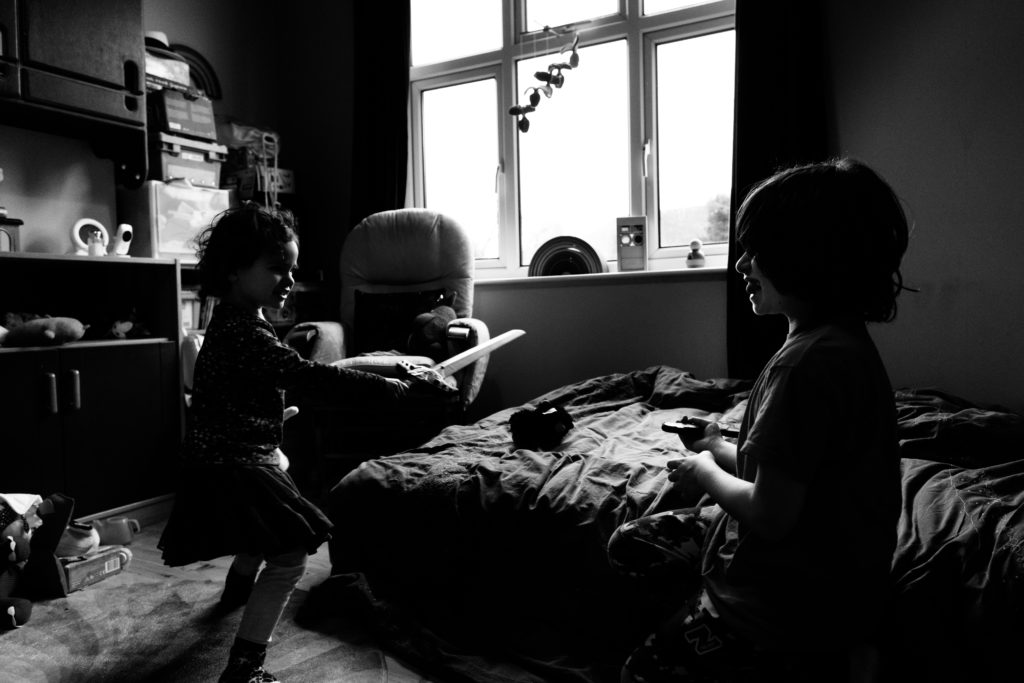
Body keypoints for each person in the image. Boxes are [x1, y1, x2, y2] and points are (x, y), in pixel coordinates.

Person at [609, 158, 911, 682]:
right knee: (631, 541)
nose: (742, 264)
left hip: (783, 608)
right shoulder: (839, 343)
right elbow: (788, 473)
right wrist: (716, 445)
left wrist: (704, 472)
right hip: (837, 579)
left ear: (806, 258)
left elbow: (771, 513)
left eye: (756, 251)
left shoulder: (805, 365)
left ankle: (742, 638)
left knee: (636, 673)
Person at [157, 203, 409, 683]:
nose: (289, 279)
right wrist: (381, 385)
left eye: (292, 268)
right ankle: (244, 666)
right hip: (232, 462)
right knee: (292, 550)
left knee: (267, 518)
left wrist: (273, 413)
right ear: (233, 271)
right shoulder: (243, 332)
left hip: (233, 451)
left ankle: (236, 590)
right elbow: (305, 376)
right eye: (277, 268)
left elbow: (249, 390)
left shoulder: (237, 322)